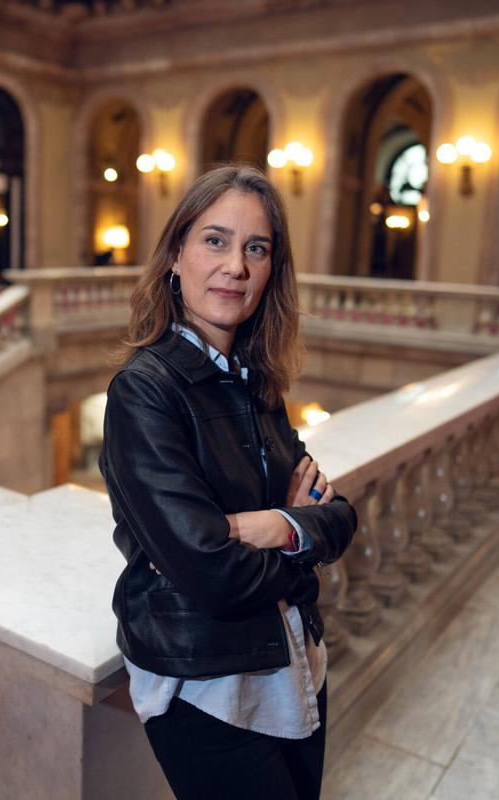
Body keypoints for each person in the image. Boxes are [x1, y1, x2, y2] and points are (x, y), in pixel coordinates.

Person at [100, 164, 358, 800]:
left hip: (294, 662)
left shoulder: (257, 383)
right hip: (205, 683)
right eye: (215, 240)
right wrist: (300, 549)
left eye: (256, 248)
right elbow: (209, 572)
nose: (235, 266)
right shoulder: (144, 391)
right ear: (176, 256)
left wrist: (268, 526)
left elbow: (340, 515)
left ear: (271, 271)